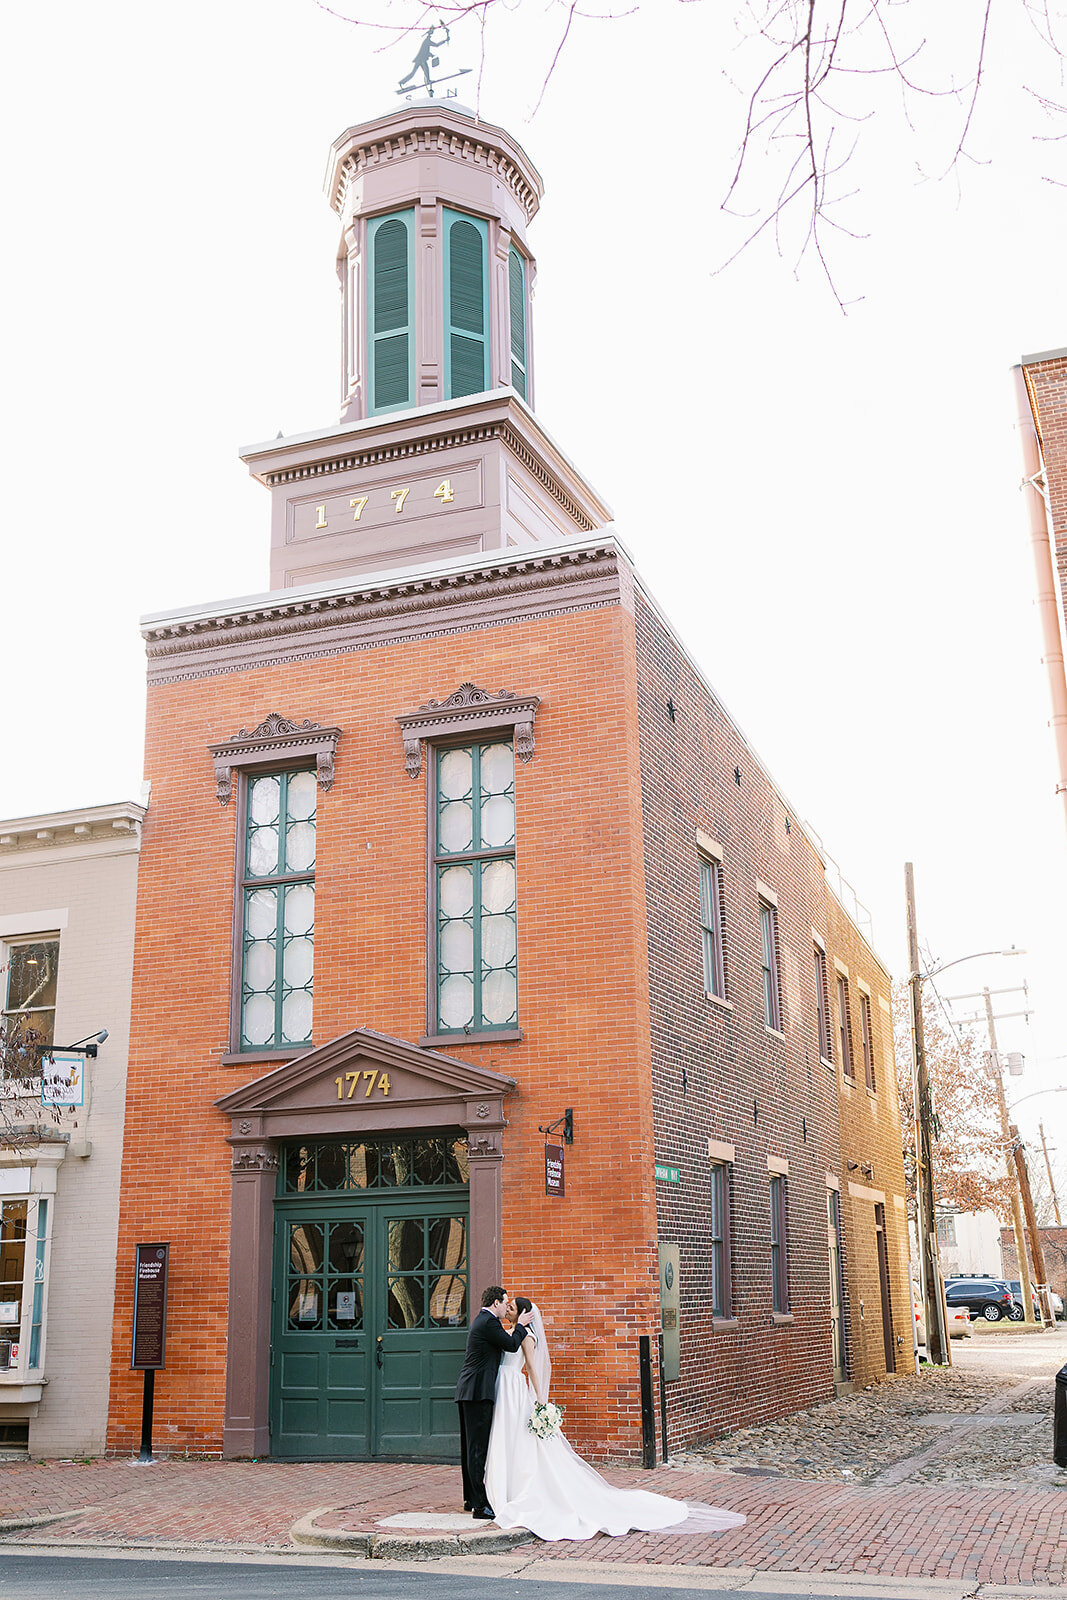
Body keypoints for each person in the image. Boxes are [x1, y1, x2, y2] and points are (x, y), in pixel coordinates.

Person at [484, 1298, 747, 1541]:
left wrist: (541, 1399)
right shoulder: (508, 1333)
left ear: (523, 1314)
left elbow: (531, 1366)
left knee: (524, 1442)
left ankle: (524, 1490)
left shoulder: (526, 1336)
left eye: (511, 1308)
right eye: (506, 1307)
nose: (507, 1310)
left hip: (517, 1390)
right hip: (507, 1390)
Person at [454, 1285, 534, 1519]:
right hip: (477, 1392)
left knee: (471, 1449)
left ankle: (471, 1498)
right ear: (496, 1303)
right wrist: (521, 1325)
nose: (506, 1307)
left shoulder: (484, 1321)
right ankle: (480, 1506)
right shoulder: (489, 1322)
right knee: (476, 1449)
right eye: (505, 1303)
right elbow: (510, 1345)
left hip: (471, 1391)